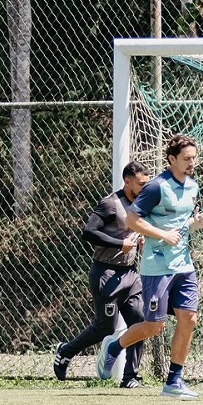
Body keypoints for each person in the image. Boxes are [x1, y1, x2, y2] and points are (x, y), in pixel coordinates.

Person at [95, 135, 203, 399]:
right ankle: (114, 346)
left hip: (183, 265)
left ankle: (173, 381)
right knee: (154, 325)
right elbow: (133, 220)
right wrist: (161, 235)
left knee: (189, 319)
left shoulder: (192, 187)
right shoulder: (156, 187)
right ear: (172, 160)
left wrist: (196, 223)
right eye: (186, 158)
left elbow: (180, 227)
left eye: (194, 157)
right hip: (157, 266)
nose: (192, 162)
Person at [53, 161, 151, 387]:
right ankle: (66, 351)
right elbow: (89, 232)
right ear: (128, 181)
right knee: (105, 327)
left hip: (130, 273)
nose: (145, 188)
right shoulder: (110, 204)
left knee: (140, 322)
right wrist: (120, 244)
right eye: (141, 183)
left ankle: (130, 377)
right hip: (106, 272)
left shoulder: (142, 204)